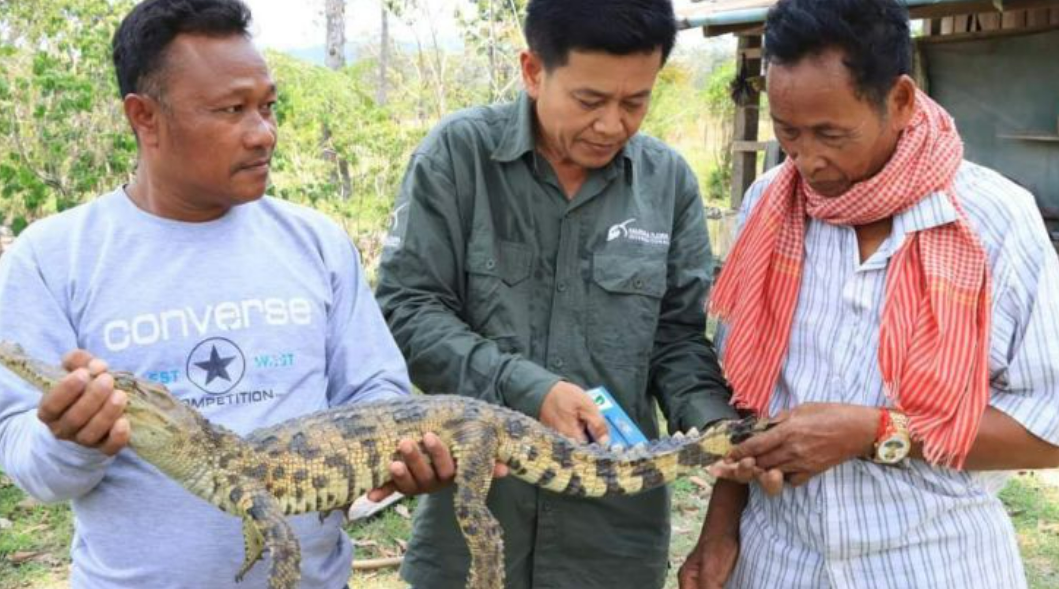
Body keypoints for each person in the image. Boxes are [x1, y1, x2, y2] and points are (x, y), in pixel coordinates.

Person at [0, 1, 460, 587]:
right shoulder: (52, 255)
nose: (263, 133)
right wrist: (74, 440)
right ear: (144, 117)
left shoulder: (315, 241)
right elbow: (32, 468)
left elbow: (376, 391)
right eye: (231, 110)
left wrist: (405, 454)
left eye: (267, 107)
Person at [678, 0, 1059, 587]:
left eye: (832, 133)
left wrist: (877, 431)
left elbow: (1047, 431)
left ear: (900, 101)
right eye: (787, 131)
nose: (806, 159)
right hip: (778, 562)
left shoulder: (994, 222)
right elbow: (742, 404)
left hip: (934, 564)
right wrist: (720, 529)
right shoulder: (768, 208)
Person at [374, 0, 748, 587]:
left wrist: (718, 426)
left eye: (636, 102)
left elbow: (677, 341)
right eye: (589, 100)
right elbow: (408, 309)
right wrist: (531, 390)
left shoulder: (667, 183)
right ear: (532, 70)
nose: (612, 125)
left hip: (611, 540)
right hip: (474, 524)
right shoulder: (458, 158)